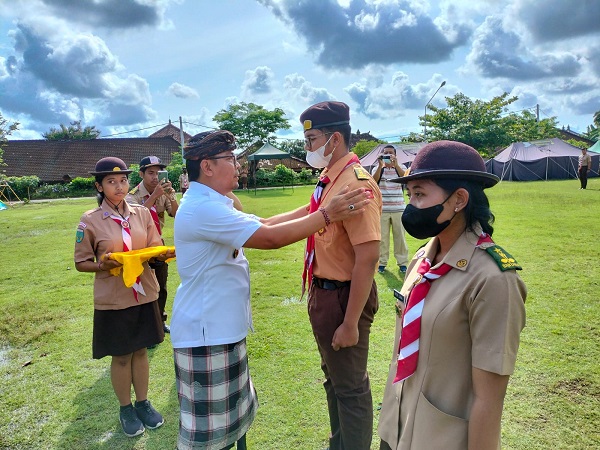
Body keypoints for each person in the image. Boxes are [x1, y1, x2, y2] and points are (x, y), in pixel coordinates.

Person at [171, 129, 371, 450]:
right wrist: (326, 214)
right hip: (206, 336)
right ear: (206, 166)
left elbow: (265, 223)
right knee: (210, 440)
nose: (238, 165)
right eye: (230, 159)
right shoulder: (201, 208)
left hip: (220, 329)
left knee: (231, 428)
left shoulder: (212, 203)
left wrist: (317, 205)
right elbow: (270, 238)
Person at [378, 140, 527, 450]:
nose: (411, 206)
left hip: (441, 439)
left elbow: (489, 398)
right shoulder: (421, 260)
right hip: (395, 427)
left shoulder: (493, 280)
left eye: (420, 194)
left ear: (459, 199)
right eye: (410, 195)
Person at [298, 101, 382, 450]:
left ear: (334, 139)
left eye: (312, 140)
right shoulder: (329, 179)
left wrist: (350, 323)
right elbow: (308, 217)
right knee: (334, 380)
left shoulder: (355, 184)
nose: (307, 148)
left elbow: (368, 258)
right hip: (325, 293)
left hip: (345, 297)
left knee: (350, 388)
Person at [74, 157, 175, 437]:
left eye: (123, 181)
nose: (119, 186)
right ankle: (126, 408)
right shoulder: (90, 220)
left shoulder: (142, 213)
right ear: (99, 186)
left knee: (141, 351)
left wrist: (161, 254)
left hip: (144, 292)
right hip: (114, 296)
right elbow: (81, 262)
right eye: (111, 182)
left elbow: (154, 247)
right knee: (121, 356)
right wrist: (102, 265)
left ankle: (143, 403)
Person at [127, 156, 178, 334]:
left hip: (157, 245)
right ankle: (143, 326)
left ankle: (160, 321)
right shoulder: (132, 195)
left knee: (161, 286)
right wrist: (154, 195)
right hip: (139, 246)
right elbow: (133, 218)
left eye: (158, 173)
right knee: (141, 286)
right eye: (151, 173)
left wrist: (171, 197)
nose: (155, 177)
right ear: (141, 174)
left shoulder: (164, 192)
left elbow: (176, 214)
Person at [371, 145, 409, 274]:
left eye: (390, 153)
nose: (388, 155)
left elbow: (406, 179)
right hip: (383, 209)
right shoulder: (377, 167)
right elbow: (373, 181)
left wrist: (396, 165)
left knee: (400, 238)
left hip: (399, 208)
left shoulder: (401, 167)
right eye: (385, 153)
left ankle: (402, 263)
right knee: (382, 238)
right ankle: (382, 263)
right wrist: (380, 166)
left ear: (395, 155)